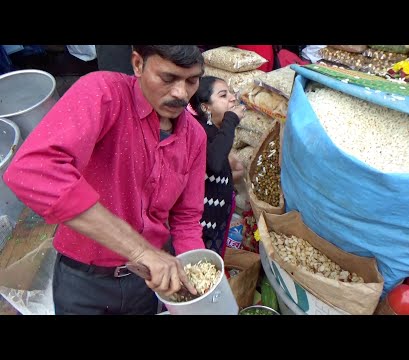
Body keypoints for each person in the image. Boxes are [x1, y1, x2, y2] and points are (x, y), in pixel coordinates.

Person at [3, 45, 207, 315]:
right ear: (138, 64)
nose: (181, 93)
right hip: (83, 280)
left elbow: (186, 219)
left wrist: (196, 282)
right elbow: (32, 170)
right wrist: (139, 250)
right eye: (168, 78)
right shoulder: (103, 93)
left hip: (146, 284)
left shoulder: (195, 137)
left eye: (191, 81)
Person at [189, 76, 246, 257]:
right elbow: (214, 162)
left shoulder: (215, 131)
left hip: (216, 216)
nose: (232, 98)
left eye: (230, 93)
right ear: (206, 107)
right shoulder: (199, 131)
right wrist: (231, 119)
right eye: (223, 95)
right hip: (203, 226)